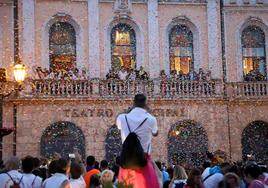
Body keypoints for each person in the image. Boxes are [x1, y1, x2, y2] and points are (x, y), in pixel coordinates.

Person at [116, 94, 160, 188]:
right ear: (146, 103)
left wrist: (128, 111)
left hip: (127, 160)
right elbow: (155, 133)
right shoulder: (151, 119)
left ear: (133, 102)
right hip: (143, 161)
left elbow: (119, 126)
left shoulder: (122, 118)